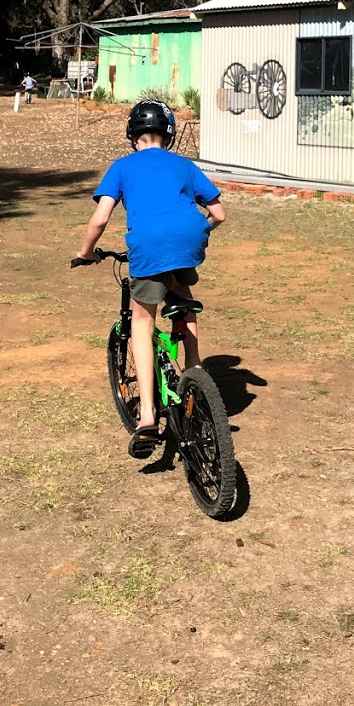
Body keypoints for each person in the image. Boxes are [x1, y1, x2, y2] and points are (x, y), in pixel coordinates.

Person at [73, 99, 225, 457]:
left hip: (148, 245)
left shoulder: (122, 167)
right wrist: (198, 232)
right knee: (183, 298)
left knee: (141, 322)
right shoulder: (184, 165)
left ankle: (146, 416)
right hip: (189, 242)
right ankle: (194, 369)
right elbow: (218, 213)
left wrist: (85, 253)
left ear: (132, 134)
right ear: (168, 133)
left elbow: (99, 219)